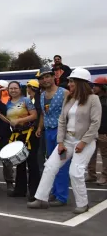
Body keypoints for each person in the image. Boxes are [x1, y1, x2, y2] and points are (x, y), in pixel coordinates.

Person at [28, 68, 101, 214]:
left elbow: (95, 123)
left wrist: (83, 142)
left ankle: (83, 204)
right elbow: (62, 121)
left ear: (80, 83)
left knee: (76, 172)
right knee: (50, 166)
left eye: (72, 81)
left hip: (85, 142)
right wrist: (60, 142)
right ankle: (41, 199)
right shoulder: (69, 98)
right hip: (67, 140)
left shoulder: (93, 99)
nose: (69, 83)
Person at [35, 66, 70, 204]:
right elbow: (44, 114)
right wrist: (39, 127)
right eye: (42, 78)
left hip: (61, 132)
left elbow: (71, 113)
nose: (45, 80)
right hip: (48, 132)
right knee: (51, 164)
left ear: (53, 76)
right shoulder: (42, 95)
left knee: (61, 164)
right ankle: (55, 193)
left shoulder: (64, 93)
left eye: (47, 76)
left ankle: (62, 196)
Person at [0, 81, 39, 200]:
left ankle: (34, 192)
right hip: (16, 135)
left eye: (15, 88)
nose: (13, 90)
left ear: (20, 89)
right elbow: (9, 120)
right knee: (20, 164)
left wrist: (20, 121)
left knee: (32, 164)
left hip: (29, 135)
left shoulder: (26, 101)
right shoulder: (8, 103)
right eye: (11, 88)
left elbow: (34, 115)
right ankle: (20, 190)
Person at [88, 76, 107, 185]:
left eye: (96, 86)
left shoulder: (104, 101)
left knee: (104, 155)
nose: (93, 87)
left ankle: (105, 177)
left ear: (103, 87)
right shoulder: (94, 98)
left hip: (103, 132)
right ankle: (91, 175)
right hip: (92, 131)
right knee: (91, 154)